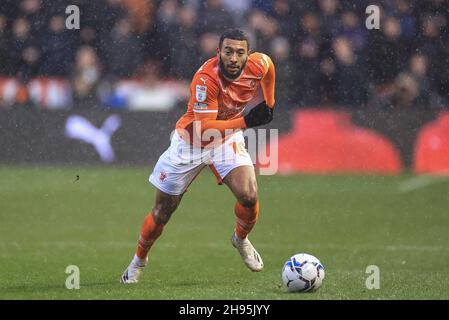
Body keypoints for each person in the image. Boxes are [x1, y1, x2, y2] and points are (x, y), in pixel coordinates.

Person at [120, 28, 276, 284]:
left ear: (248, 55)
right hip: (191, 143)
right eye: (228, 52)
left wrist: (269, 103)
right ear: (218, 53)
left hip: (226, 138)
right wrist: (246, 121)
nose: (234, 58)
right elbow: (205, 129)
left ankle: (240, 239)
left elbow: (269, 68)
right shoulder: (206, 78)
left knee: (249, 195)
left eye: (240, 52)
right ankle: (139, 260)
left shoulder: (259, 64)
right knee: (162, 212)